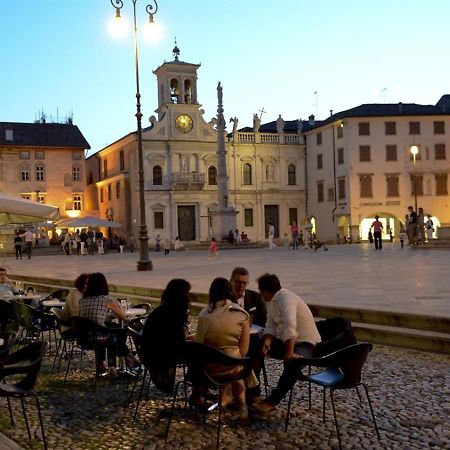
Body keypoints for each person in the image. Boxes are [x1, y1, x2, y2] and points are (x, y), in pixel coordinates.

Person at [253, 274, 321, 413]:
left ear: (265, 291)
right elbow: (270, 325)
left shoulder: (286, 298)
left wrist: (289, 353)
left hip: (305, 342)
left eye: (261, 291)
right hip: (286, 341)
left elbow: (290, 325)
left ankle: (273, 400)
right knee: (254, 346)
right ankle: (252, 390)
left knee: (293, 364)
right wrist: (267, 342)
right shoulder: (271, 302)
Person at [196, 277, 252, 423]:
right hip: (231, 368)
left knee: (228, 359)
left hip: (207, 370)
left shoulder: (203, 314)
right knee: (236, 362)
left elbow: (199, 344)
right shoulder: (241, 314)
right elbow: (244, 351)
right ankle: (243, 407)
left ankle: (217, 396)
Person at [79, 272, 138, 379]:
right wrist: (116, 304)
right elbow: (123, 317)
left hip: (85, 337)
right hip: (100, 337)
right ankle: (127, 356)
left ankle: (113, 366)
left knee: (113, 328)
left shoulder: (82, 301)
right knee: (119, 332)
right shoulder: (106, 300)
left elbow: (91, 319)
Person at [142, 279, 191, 393]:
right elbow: (177, 341)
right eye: (186, 293)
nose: (189, 298)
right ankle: (198, 387)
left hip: (151, 354)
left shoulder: (161, 311)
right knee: (198, 352)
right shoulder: (172, 314)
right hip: (161, 355)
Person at [230, 267, 267, 404]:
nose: (241, 286)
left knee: (256, 351)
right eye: (238, 282)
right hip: (232, 338)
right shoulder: (225, 299)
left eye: (244, 283)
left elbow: (263, 319)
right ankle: (237, 390)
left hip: (251, 337)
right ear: (231, 281)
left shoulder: (255, 297)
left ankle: (253, 392)